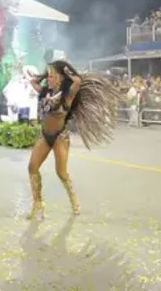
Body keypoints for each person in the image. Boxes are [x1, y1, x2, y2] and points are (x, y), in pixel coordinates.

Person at [25, 61, 120, 220]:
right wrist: (44, 74)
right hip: (44, 135)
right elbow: (33, 81)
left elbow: (77, 81)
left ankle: (74, 201)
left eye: (52, 75)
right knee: (32, 167)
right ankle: (37, 203)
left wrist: (65, 70)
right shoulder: (44, 92)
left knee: (61, 173)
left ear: (61, 77)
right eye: (48, 75)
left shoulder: (67, 95)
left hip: (60, 137)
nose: (49, 78)